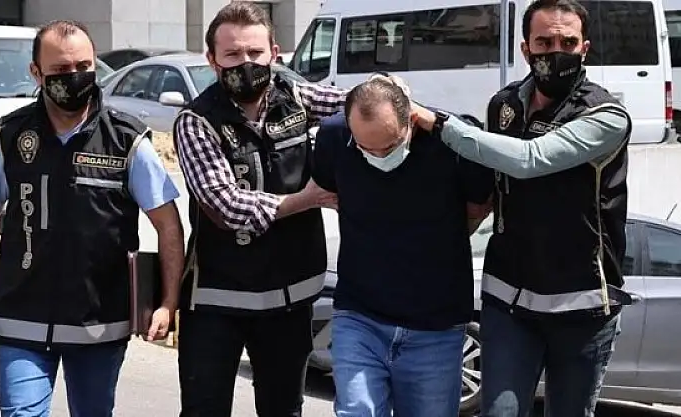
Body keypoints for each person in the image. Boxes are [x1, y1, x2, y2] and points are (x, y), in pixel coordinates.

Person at [173, 4, 431, 416]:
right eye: (233, 54)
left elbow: (359, 105)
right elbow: (226, 206)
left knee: (284, 409)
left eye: (255, 52)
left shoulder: (294, 96)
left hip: (289, 299)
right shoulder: (196, 121)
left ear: (274, 53)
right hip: (217, 301)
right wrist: (307, 199)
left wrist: (390, 94)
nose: (246, 63)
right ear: (212, 59)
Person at [0, 20, 184, 417]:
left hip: (99, 323)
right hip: (21, 317)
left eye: (83, 66)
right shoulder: (12, 137)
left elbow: (168, 224)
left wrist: (168, 301)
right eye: (61, 70)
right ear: (36, 73)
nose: (74, 77)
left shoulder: (127, 140)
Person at [428, 0, 634, 415]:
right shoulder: (503, 106)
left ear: (584, 48)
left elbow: (530, 159)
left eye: (567, 42)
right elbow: (486, 195)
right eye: (544, 42)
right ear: (526, 49)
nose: (556, 52)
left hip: (581, 308)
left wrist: (437, 124)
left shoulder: (606, 115)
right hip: (508, 301)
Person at [312, 77, 493, 417]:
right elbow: (329, 191)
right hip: (360, 316)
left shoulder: (452, 141)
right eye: (366, 149)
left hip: (435, 326)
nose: (378, 156)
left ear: (412, 119)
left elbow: (479, 206)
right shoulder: (334, 137)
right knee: (357, 411)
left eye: (390, 146)